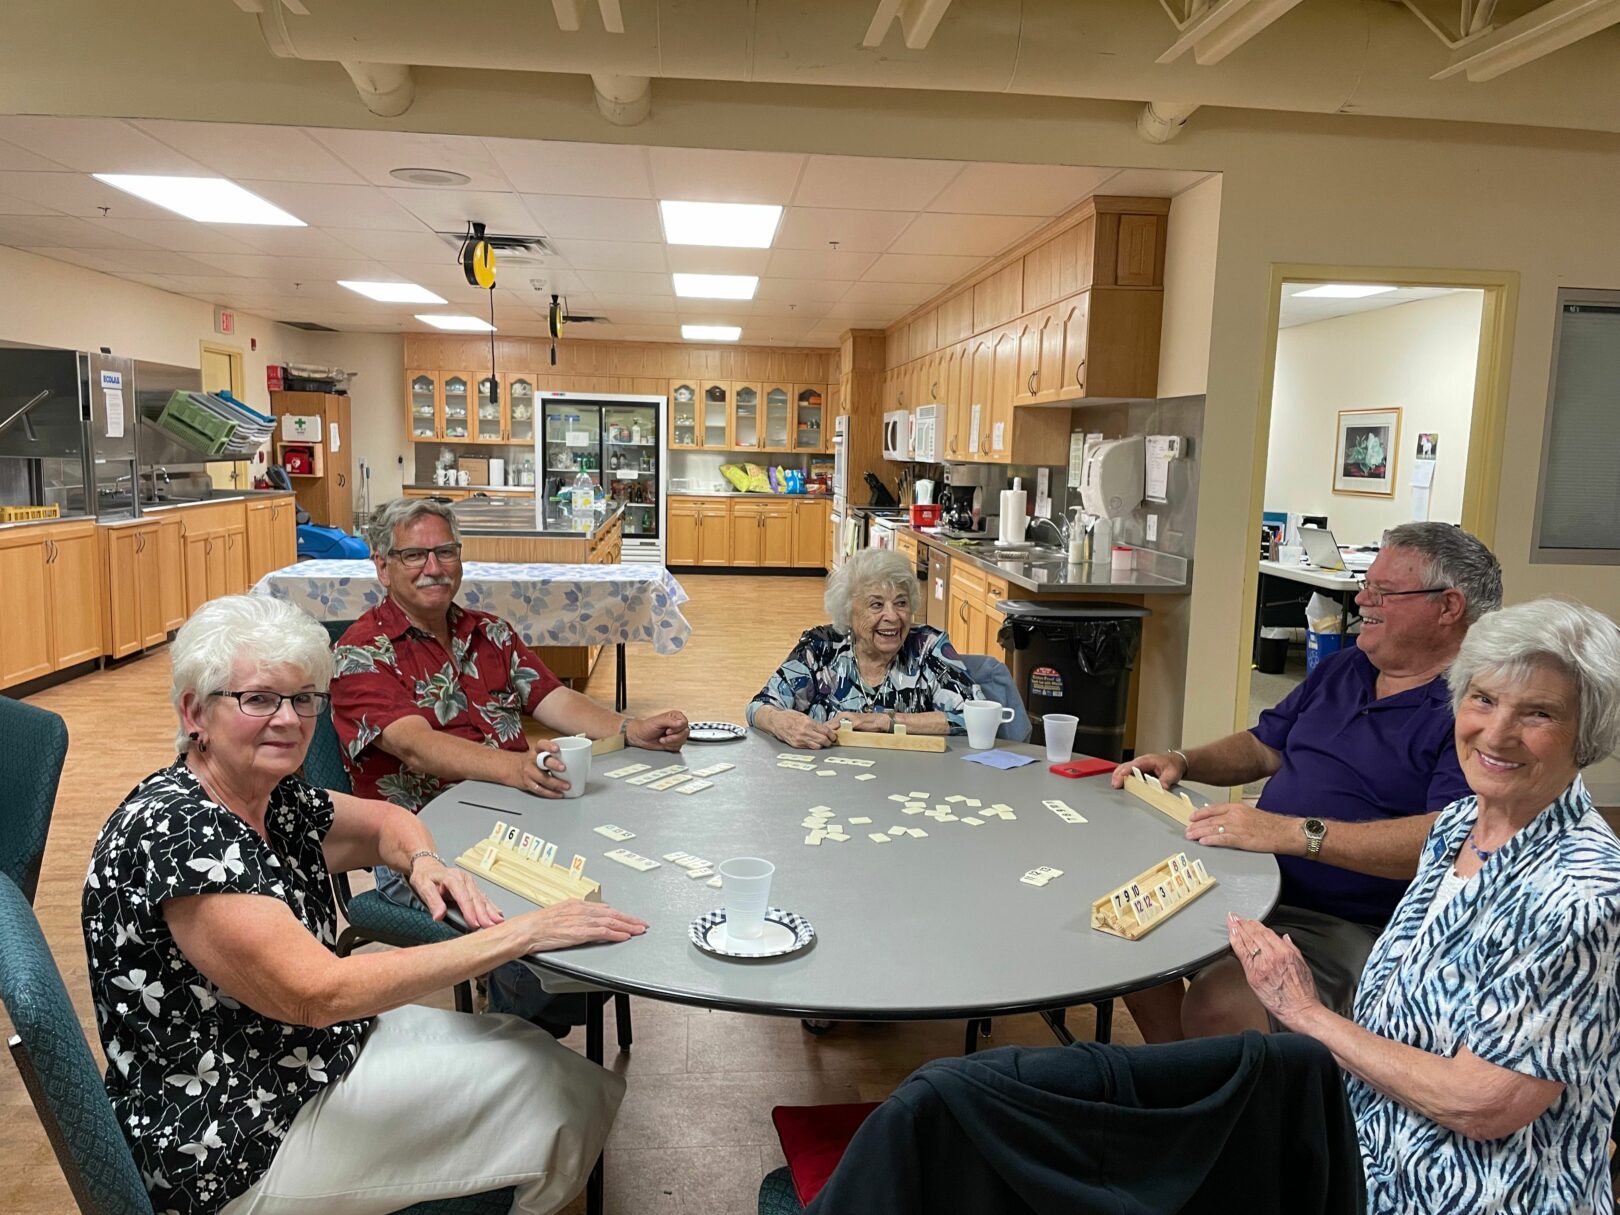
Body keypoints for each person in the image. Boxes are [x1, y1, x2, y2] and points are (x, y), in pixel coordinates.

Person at [82, 595, 647, 1215]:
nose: (289, 720)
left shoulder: (267, 795)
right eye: (258, 699)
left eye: (303, 700)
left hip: (295, 1060)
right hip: (234, 1135)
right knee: (559, 1105)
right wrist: (520, 934)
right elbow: (318, 994)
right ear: (195, 712)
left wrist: (425, 861)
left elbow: (384, 822)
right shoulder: (179, 834)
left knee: (534, 1053)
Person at [1231, 596, 1620, 1213]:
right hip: (1368, 1150)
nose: (1497, 733)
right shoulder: (1459, 824)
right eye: (1483, 699)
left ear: (1587, 734)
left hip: (1476, 1194)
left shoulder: (1582, 896)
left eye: (1538, 713)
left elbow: (1480, 1103)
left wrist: (1305, 1011)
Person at [1113, 522, 1502, 1042]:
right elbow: (1264, 745)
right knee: (1129, 938)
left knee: (1220, 1003)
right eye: (1367, 583)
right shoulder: (1345, 667)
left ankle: (1218, 1101)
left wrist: (1292, 833)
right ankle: (1190, 1096)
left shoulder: (1474, 711)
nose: (1361, 597)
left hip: (1351, 922)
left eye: (1383, 591)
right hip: (1252, 883)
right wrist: (1182, 760)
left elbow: (1449, 842)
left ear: (1448, 607)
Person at [330, 497, 687, 1027]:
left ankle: (561, 994)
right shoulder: (361, 650)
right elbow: (413, 745)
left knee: (617, 866)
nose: (434, 567)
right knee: (531, 928)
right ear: (382, 566)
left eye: (445, 552)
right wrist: (516, 766)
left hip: (517, 816)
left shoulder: (490, 632)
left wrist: (627, 729)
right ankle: (522, 1028)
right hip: (421, 845)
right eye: (414, 556)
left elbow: (553, 700)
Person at [747, 547, 979, 749]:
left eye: (901, 603)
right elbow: (759, 707)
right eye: (876, 605)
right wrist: (781, 723)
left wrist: (886, 721)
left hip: (910, 780)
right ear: (848, 611)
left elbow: (976, 717)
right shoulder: (821, 646)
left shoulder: (928, 647)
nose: (892, 616)